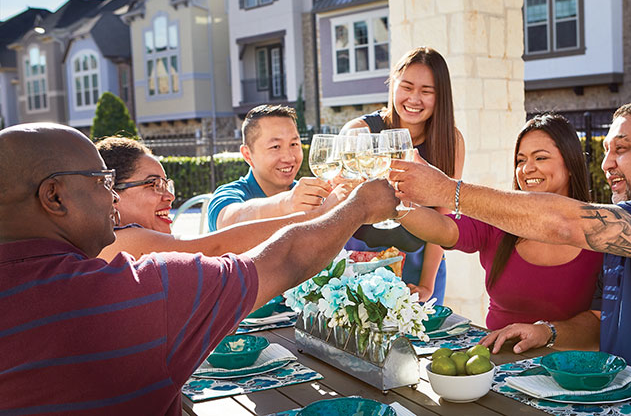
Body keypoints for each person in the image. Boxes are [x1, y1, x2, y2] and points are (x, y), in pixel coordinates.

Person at [0, 123, 398, 414]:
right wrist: (358, 207)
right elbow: (280, 258)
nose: (110, 198)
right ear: (53, 195)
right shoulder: (144, 289)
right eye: (102, 181)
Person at [389, 101, 631, 405]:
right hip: (630, 400)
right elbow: (598, 318)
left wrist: (449, 190)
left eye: (621, 149)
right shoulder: (630, 229)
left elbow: (565, 224)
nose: (607, 163)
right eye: (607, 150)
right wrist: (547, 332)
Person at [399, 114, 602, 336]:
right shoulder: (500, 218)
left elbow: (600, 323)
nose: (526, 169)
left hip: (568, 368)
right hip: (497, 363)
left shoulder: (602, 232)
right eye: (521, 160)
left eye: (540, 158)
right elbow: (443, 230)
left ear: (571, 163)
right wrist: (395, 205)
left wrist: (545, 334)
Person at [340, 46, 466, 305]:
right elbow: (339, 203)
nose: (414, 99)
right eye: (406, 87)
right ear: (393, 86)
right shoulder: (359, 133)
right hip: (360, 260)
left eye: (426, 91)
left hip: (421, 265)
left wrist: (427, 284)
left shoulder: (450, 141)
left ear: (441, 96)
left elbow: (445, 217)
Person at [96, 137, 351, 262]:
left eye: (294, 143)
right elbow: (216, 247)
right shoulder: (118, 243)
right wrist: (320, 215)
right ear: (111, 194)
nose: (170, 195)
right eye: (154, 185)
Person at [207, 104, 333, 231]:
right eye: (275, 146)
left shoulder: (313, 196)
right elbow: (229, 221)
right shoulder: (229, 195)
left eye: (294, 144)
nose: (289, 158)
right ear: (247, 154)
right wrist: (286, 203)